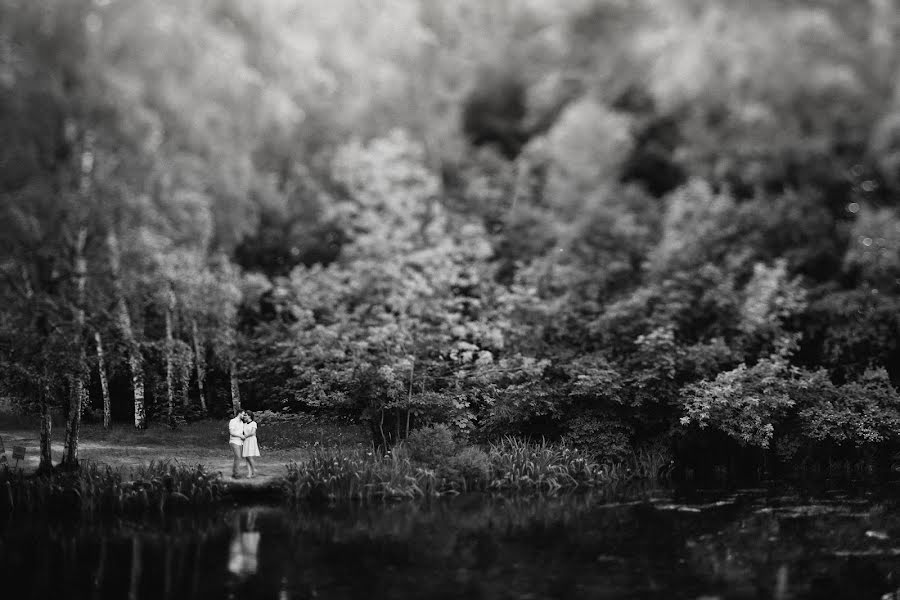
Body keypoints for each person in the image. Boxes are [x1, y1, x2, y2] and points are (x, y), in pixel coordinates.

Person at [228, 410, 248, 478]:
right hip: (234, 441)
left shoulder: (242, 422)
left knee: (238, 457)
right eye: (243, 414)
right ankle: (236, 474)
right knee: (238, 457)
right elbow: (232, 432)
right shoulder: (232, 421)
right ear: (239, 414)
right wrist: (240, 436)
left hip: (240, 442)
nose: (243, 415)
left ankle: (235, 472)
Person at [241, 411, 260, 478]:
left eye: (245, 415)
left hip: (251, 441)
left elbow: (252, 433)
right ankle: (249, 473)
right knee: (246, 457)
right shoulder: (244, 424)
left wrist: (245, 436)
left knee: (249, 456)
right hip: (246, 441)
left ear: (249, 416)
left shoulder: (253, 423)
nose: (244, 417)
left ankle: (254, 472)